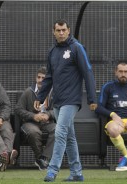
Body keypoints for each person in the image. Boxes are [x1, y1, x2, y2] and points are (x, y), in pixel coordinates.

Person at [34, 19, 97, 182]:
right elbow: (48, 77)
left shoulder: (77, 48)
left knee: (60, 132)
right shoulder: (52, 52)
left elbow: (87, 72)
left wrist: (92, 98)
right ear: (53, 32)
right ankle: (76, 172)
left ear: (68, 31)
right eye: (58, 30)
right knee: (69, 136)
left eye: (64, 30)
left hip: (72, 100)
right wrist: (40, 97)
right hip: (57, 101)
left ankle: (52, 171)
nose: (61, 33)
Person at [15, 67, 56, 170]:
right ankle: (39, 158)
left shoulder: (53, 93)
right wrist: (33, 116)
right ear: (35, 78)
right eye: (39, 77)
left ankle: (44, 159)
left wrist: (48, 114)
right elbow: (18, 109)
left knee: (58, 130)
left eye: (43, 78)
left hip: (47, 122)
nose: (40, 80)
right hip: (30, 123)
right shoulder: (28, 92)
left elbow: (58, 110)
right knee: (34, 132)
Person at [0, 81, 18, 171]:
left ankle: (4, 159)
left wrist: (1, 119)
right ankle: (7, 154)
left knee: (7, 129)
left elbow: (6, 105)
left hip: (1, 119)